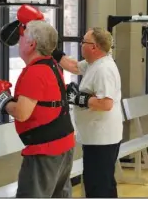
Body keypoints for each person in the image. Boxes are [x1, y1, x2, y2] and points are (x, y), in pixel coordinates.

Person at [0, 5, 75, 198]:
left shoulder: (35, 72)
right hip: (63, 144)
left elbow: (22, 113)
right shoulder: (53, 66)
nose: (18, 42)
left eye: (22, 37)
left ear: (32, 45)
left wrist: (0, 99)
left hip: (46, 151)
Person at [52, 27, 124, 198]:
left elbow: (106, 103)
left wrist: (79, 99)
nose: (81, 44)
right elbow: (74, 66)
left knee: (98, 186)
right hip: (95, 136)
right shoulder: (94, 63)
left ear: (94, 47)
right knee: (100, 182)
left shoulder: (104, 69)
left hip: (102, 138)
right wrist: (53, 52)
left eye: (84, 42)